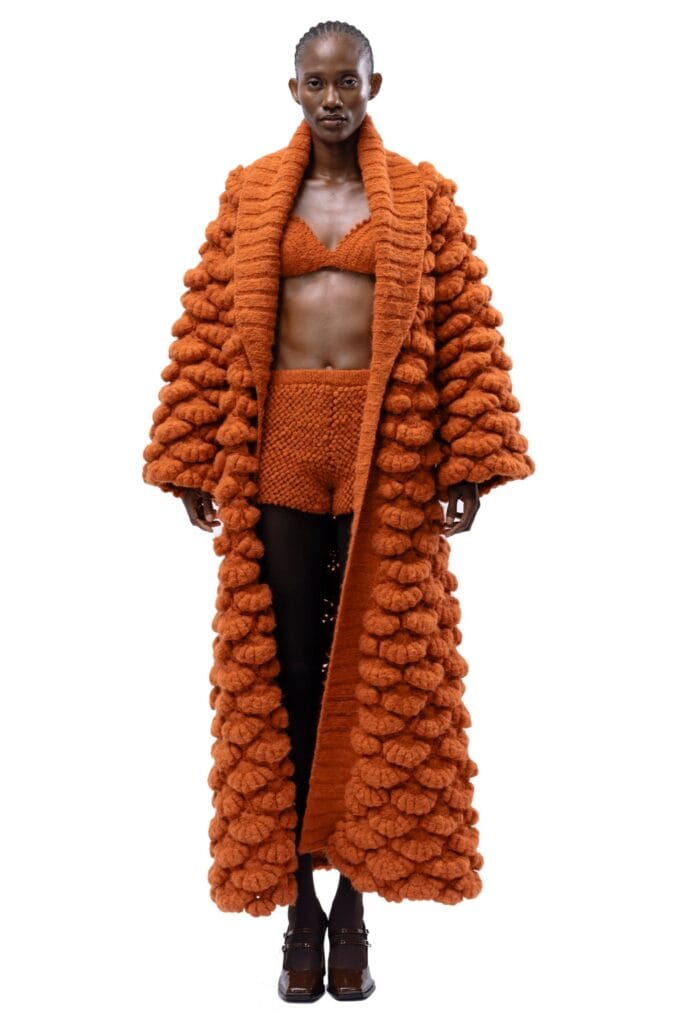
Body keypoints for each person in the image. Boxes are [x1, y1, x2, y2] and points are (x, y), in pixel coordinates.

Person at [142, 18, 534, 1004]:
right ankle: (297, 912)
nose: (330, 98)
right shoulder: (249, 194)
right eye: (314, 82)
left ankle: (353, 904)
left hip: (381, 454)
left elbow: (461, 324)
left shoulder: (419, 196)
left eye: (345, 81)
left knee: (377, 673)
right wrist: (191, 451)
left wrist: (468, 456)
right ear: (292, 90)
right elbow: (208, 321)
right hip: (277, 450)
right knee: (285, 675)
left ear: (373, 85)